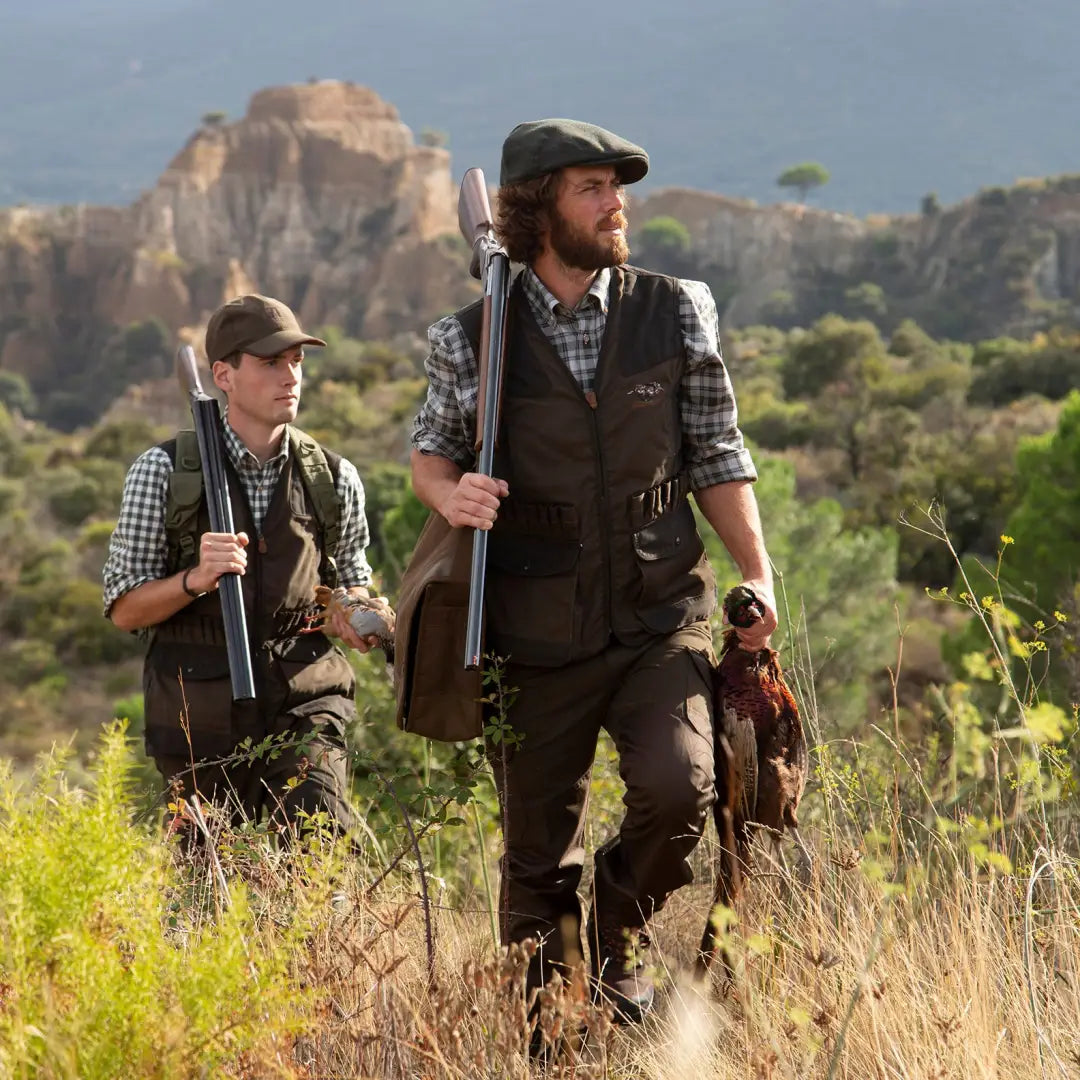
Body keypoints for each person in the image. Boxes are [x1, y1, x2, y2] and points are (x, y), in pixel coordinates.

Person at [410, 119, 778, 1023]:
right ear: (539, 210)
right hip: (532, 632)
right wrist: (450, 496)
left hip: (660, 611)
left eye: (619, 187)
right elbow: (430, 456)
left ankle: (620, 930)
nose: (618, 205)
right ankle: (555, 1027)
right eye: (592, 188)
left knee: (682, 786)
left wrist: (759, 576)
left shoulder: (676, 307)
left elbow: (717, 452)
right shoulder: (468, 338)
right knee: (536, 859)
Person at [104, 293, 387, 838]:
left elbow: (351, 581)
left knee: (320, 841)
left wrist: (356, 614)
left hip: (305, 703)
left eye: (296, 361)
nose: (290, 376)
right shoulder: (161, 473)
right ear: (223, 375)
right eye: (269, 362)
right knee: (206, 885)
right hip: (196, 717)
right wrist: (193, 580)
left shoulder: (333, 477)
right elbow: (124, 609)